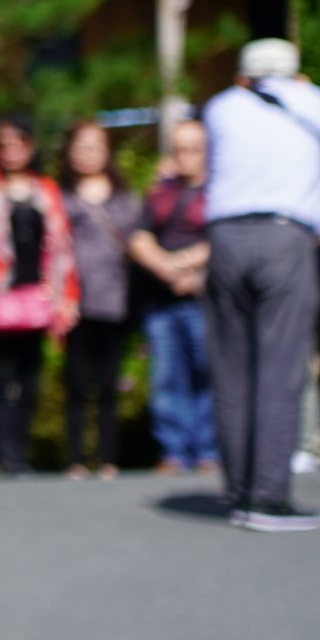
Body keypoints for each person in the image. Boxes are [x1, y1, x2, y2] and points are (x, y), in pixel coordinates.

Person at [202, 37, 320, 530]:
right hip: (285, 237)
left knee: (232, 369)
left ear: (243, 74)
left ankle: (240, 490)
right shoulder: (312, 101)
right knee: (280, 367)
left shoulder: (220, 107)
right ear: (294, 72)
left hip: (224, 239)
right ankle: (268, 497)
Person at [0, 116, 73, 477]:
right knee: (0, 380)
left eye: (18, 142)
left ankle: (20, 451)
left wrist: (65, 296)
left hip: (37, 298)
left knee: (30, 379)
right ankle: (4, 454)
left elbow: (61, 247)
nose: (11, 150)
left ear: (31, 146)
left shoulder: (45, 189)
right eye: (3, 143)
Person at [129, 116, 218, 473]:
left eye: (193, 149)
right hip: (161, 300)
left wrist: (185, 268)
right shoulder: (160, 193)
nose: (186, 156)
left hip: (202, 300)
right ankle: (174, 451)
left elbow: (220, 240)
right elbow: (138, 239)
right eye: (180, 149)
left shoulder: (219, 193)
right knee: (166, 378)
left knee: (207, 375)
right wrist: (168, 269)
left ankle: (209, 450)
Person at [60, 119, 141, 479]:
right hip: (74, 302)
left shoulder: (125, 198)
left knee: (109, 384)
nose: (89, 153)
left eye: (96, 146)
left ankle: (108, 458)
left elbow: (138, 241)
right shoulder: (59, 195)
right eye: (82, 146)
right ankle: (75, 458)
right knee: (77, 383)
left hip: (115, 300)